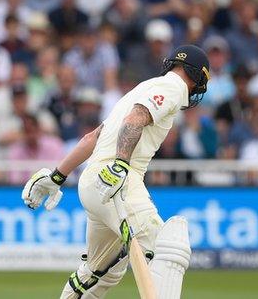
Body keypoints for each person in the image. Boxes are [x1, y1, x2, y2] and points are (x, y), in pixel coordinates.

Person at [22, 44, 210, 299]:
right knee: (167, 248)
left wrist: (57, 175)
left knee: (100, 271)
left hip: (94, 181)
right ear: (197, 77)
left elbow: (93, 136)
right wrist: (120, 165)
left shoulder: (142, 88)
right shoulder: (174, 87)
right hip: (117, 181)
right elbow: (137, 118)